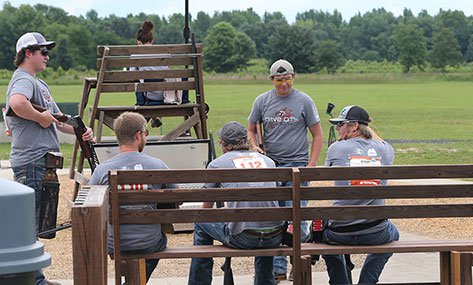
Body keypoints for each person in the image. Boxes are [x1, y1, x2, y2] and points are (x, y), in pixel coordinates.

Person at [5, 32, 93, 285]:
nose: (47, 56)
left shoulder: (39, 84)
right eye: (42, 52)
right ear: (28, 53)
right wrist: (41, 117)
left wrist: (79, 132)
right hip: (32, 161)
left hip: (40, 163)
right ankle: (34, 280)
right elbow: (17, 103)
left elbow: (57, 120)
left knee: (36, 225)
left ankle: (36, 277)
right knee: (28, 225)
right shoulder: (23, 80)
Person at [247, 59, 323, 282]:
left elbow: (317, 134)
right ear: (271, 80)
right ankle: (278, 268)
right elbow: (251, 128)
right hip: (271, 166)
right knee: (274, 216)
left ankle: (298, 263)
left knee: (297, 216)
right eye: (279, 80)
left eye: (287, 79)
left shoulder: (304, 101)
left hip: (297, 164)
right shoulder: (262, 101)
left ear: (294, 77)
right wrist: (254, 146)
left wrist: (311, 164)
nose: (284, 84)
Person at [188, 121, 284, 285]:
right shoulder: (268, 161)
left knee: (200, 222)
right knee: (264, 222)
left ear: (224, 145)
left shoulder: (218, 164)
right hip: (274, 236)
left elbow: (206, 211)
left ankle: (199, 282)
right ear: (246, 141)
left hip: (243, 237)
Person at [88, 112, 170, 282]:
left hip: (115, 243)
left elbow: (89, 202)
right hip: (149, 242)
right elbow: (175, 198)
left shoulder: (103, 170)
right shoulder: (157, 165)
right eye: (145, 133)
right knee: (160, 239)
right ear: (138, 135)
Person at [322, 105, 400, 284]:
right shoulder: (386, 149)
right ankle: (367, 281)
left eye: (340, 124)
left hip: (339, 232)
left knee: (321, 238)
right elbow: (378, 140)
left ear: (354, 126)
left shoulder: (336, 149)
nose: (337, 129)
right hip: (376, 230)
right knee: (393, 234)